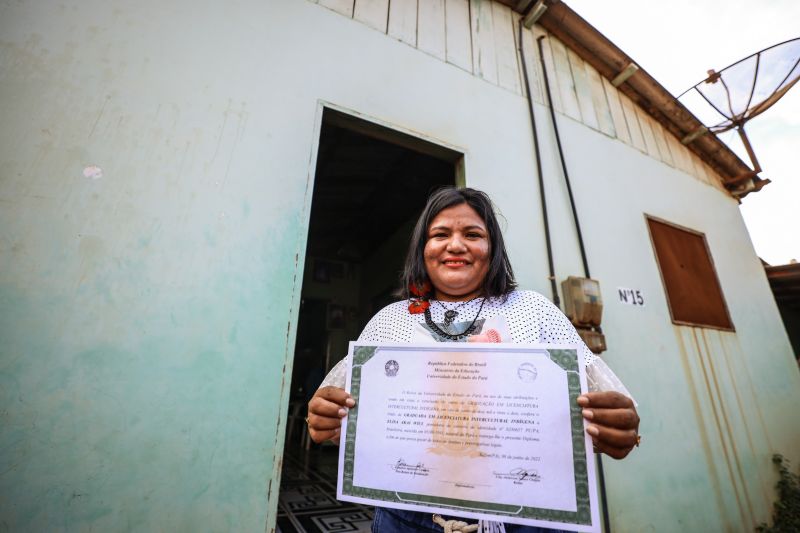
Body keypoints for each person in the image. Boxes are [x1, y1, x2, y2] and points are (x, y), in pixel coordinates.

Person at [307, 187, 640, 533]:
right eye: (440, 234)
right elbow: (338, 408)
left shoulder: (534, 311)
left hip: (526, 519)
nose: (455, 245)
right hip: (406, 518)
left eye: (472, 234)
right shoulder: (391, 320)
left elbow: (603, 402)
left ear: (492, 248)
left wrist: (616, 425)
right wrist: (326, 419)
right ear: (422, 249)